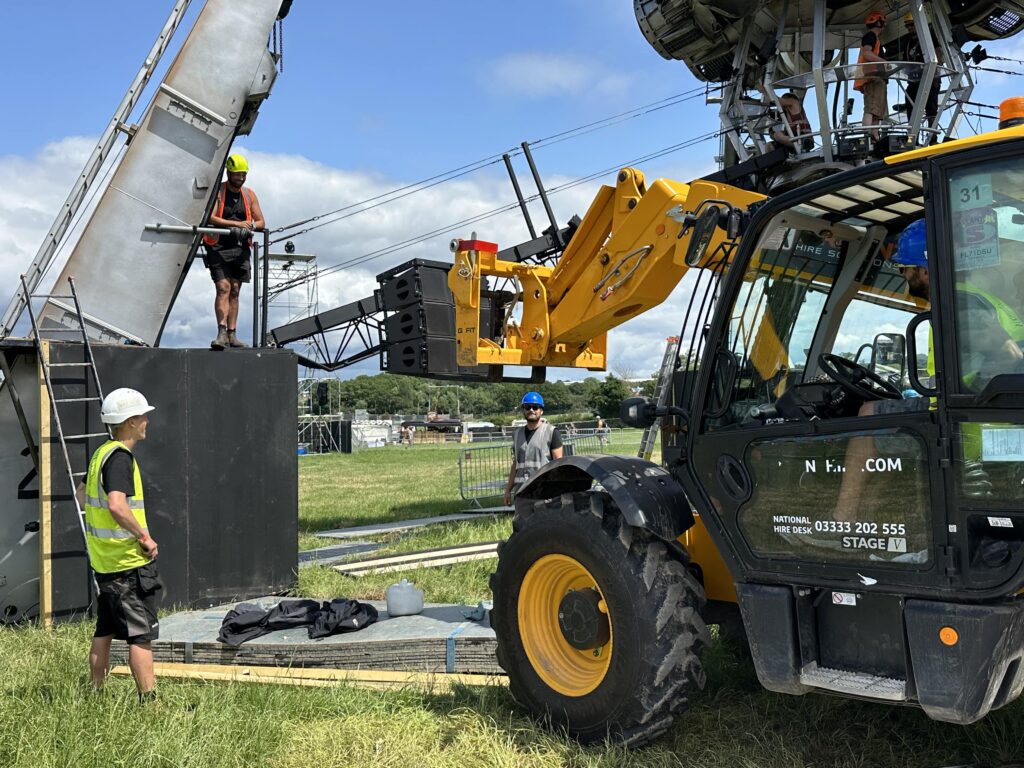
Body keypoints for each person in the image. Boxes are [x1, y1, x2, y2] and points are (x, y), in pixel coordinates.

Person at [80, 388, 161, 702]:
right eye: (142, 416)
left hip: (105, 564)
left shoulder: (101, 453)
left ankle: (97, 697)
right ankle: (151, 704)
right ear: (129, 422)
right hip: (128, 564)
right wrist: (143, 537)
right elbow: (116, 505)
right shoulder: (120, 458)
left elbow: (82, 495)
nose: (147, 421)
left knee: (105, 631)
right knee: (140, 636)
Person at [203, 153, 266, 350]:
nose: (240, 178)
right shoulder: (219, 192)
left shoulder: (249, 195)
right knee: (223, 287)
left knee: (235, 290)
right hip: (218, 246)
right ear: (229, 173)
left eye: (243, 175)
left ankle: (232, 334)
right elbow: (211, 217)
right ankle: (221, 332)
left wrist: (251, 226)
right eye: (237, 174)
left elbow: (262, 221)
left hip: (240, 248)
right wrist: (235, 224)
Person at [504, 391, 564, 505]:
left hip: (544, 493)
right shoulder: (517, 434)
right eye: (527, 407)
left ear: (541, 411)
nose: (531, 410)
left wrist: (557, 491)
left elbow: (558, 464)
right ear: (523, 410)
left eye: (535, 407)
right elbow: (515, 464)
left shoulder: (552, 432)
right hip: (522, 493)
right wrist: (508, 490)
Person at [899, 13, 941, 134]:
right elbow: (906, 61)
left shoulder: (928, 37)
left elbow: (938, 54)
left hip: (930, 79)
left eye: (911, 25)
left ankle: (932, 138)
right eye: (907, 26)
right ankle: (912, 137)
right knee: (910, 107)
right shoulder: (908, 43)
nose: (909, 28)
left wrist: (936, 73)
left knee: (931, 109)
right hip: (914, 81)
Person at [855, 12, 889, 140]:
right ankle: (866, 137)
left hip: (877, 78)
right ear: (880, 23)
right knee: (871, 109)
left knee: (877, 112)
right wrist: (884, 62)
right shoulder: (870, 36)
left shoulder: (875, 38)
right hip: (873, 78)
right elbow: (867, 53)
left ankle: (874, 137)